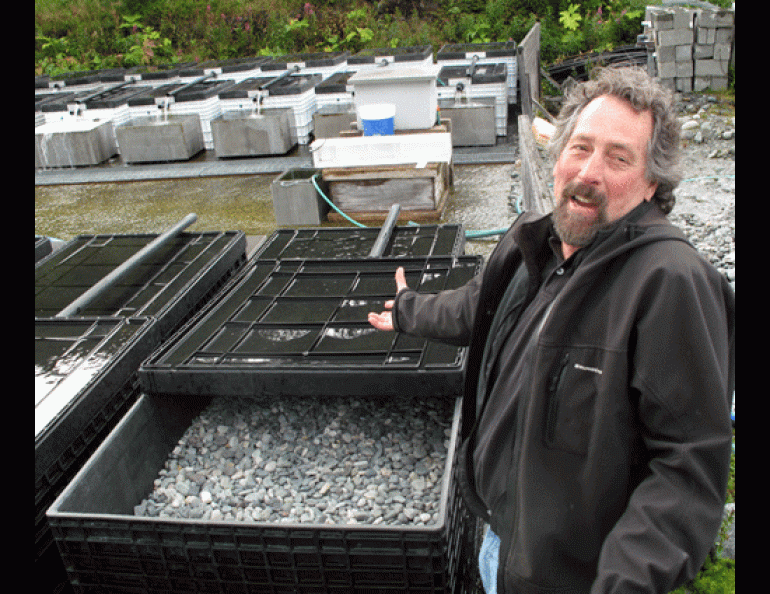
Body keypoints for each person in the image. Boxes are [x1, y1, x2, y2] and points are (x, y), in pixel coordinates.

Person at [368, 66, 735, 594]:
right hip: (500, 545)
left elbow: (687, 467)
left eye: (619, 157)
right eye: (580, 147)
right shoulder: (531, 245)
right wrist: (406, 311)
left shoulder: (669, 283)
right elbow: (475, 310)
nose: (589, 172)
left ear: (652, 183)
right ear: (557, 156)